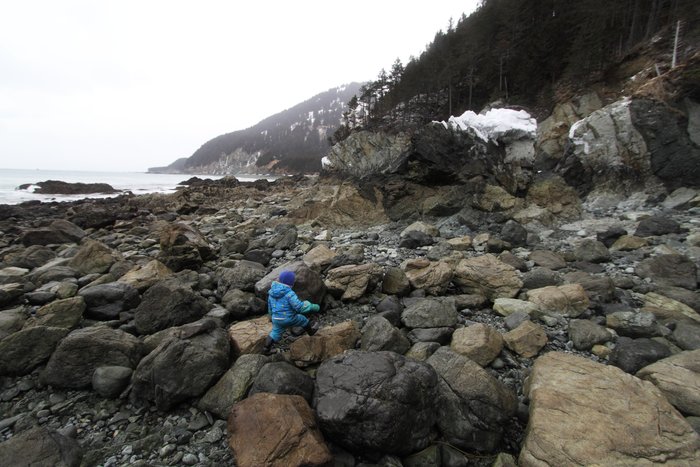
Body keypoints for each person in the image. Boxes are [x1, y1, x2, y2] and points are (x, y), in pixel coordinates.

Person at [263, 270, 320, 355]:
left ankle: (266, 349)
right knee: (303, 319)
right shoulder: (289, 293)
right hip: (288, 318)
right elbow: (299, 307)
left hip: (276, 319)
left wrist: (271, 316)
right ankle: (311, 332)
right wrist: (312, 306)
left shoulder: (272, 292)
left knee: (274, 333)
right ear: (291, 283)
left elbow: (270, 307)